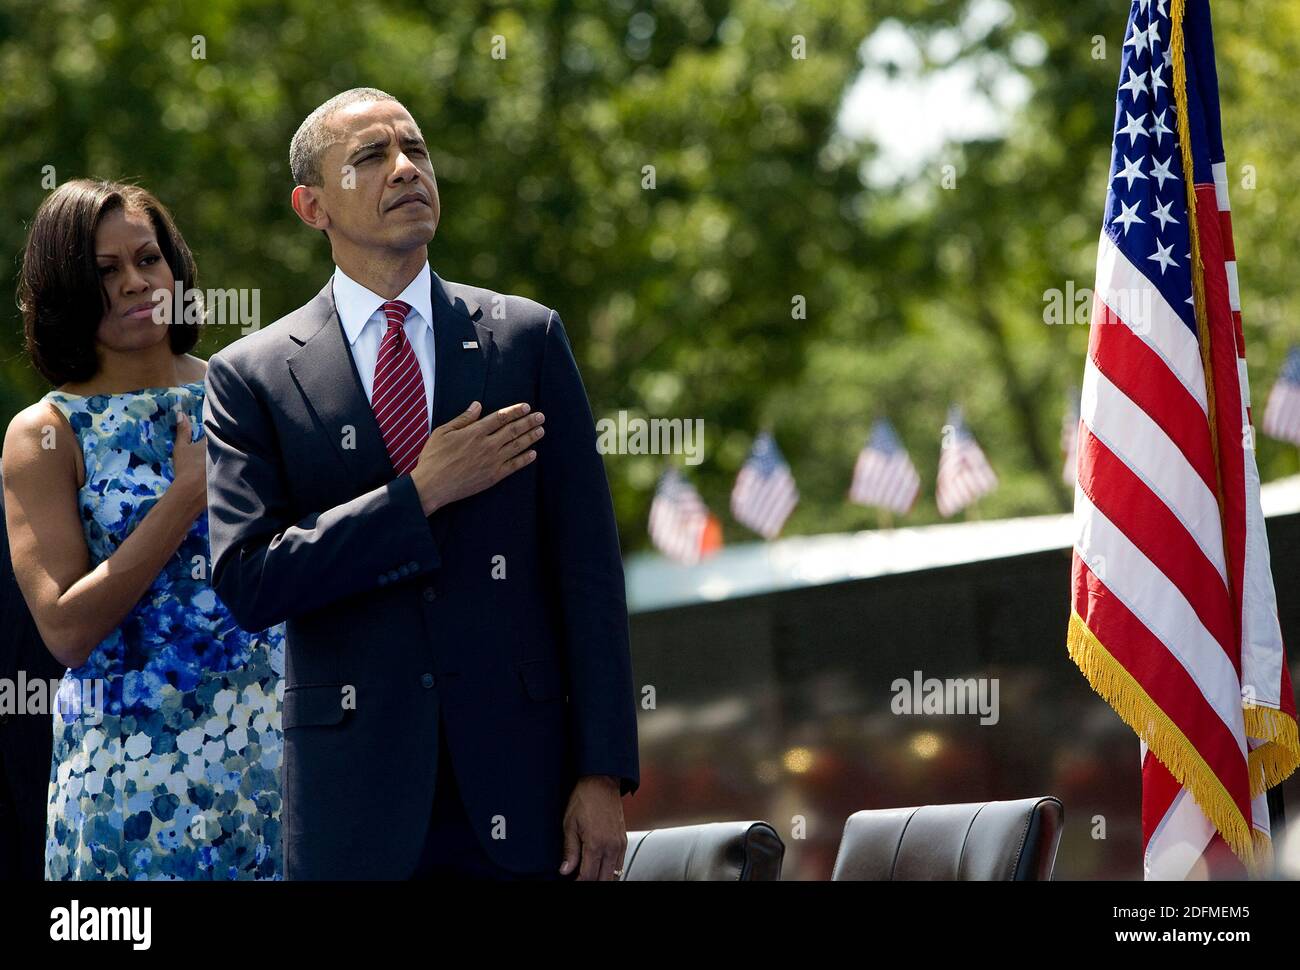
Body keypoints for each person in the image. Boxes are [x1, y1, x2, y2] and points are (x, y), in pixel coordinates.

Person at [203, 87, 639, 881]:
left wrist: (603, 772)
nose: (405, 169)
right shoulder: (251, 377)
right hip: (353, 811)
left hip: (526, 795)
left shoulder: (526, 338)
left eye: (416, 150)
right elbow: (249, 579)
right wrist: (419, 495)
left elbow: (589, 574)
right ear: (311, 206)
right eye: (370, 158)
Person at [3, 180, 284, 880]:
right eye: (104, 271)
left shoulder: (244, 391)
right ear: (64, 289)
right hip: (131, 789)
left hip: (269, 764)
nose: (135, 282)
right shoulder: (44, 432)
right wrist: (186, 497)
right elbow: (65, 630)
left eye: (148, 258)